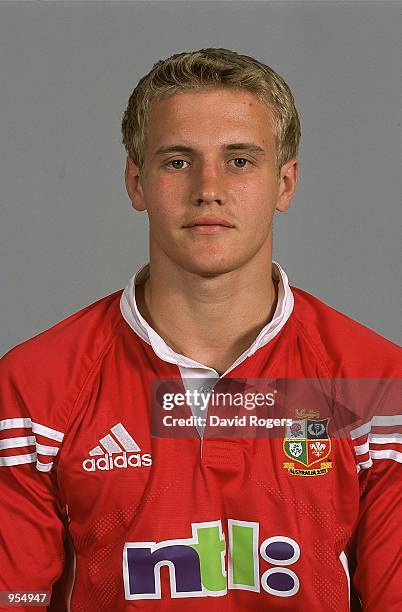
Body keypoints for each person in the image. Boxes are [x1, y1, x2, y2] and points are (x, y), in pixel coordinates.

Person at [0, 48, 400, 612]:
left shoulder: (378, 384)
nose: (207, 188)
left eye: (239, 160)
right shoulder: (33, 388)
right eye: (178, 161)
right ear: (136, 183)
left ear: (285, 183)